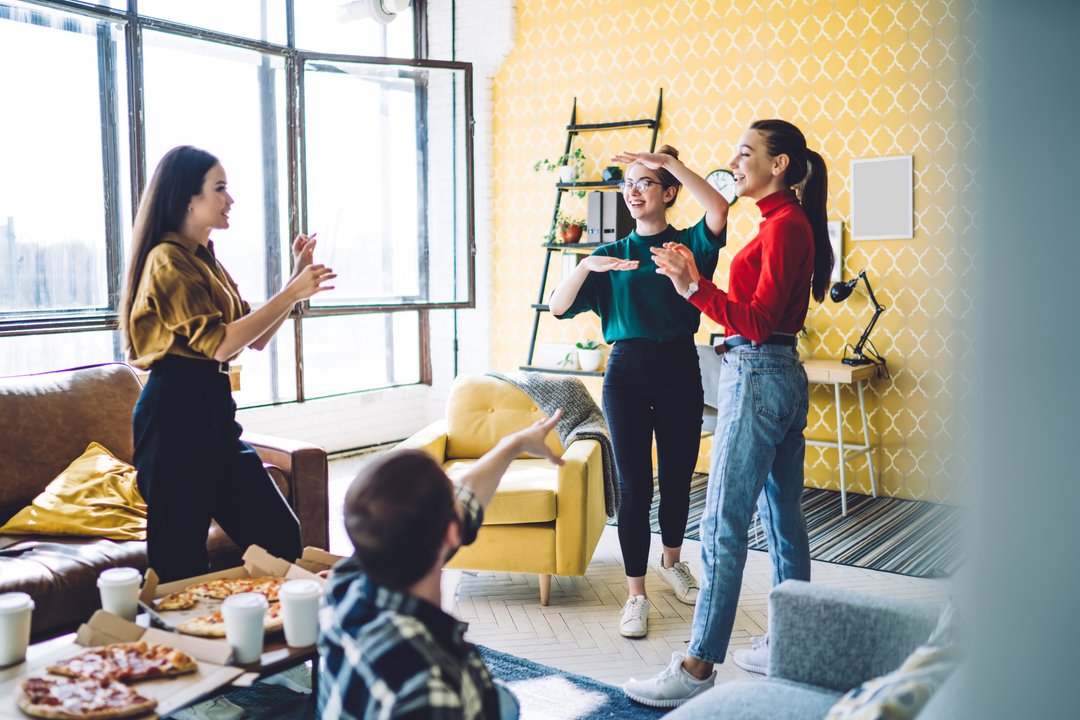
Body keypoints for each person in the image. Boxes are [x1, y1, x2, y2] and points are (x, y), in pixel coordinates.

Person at [622, 119, 832, 706]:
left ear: (780, 164)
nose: (735, 163)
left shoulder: (785, 227)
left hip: (760, 371)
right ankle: (792, 642)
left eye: (746, 154)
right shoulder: (783, 221)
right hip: (779, 373)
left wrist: (694, 289)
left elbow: (758, 322)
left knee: (720, 525)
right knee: (784, 519)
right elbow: (764, 317)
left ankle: (696, 668)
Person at [120, 145, 337, 582]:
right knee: (179, 562)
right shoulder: (166, 260)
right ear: (188, 198)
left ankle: (257, 635)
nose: (230, 199)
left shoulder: (204, 258)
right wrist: (291, 293)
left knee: (278, 535)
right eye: (219, 188)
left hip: (212, 413)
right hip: (174, 415)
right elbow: (219, 345)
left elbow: (251, 339)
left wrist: (294, 283)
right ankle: (186, 648)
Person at [548, 145, 729, 638]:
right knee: (634, 487)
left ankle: (673, 563)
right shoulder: (611, 258)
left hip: (678, 366)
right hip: (625, 373)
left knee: (676, 477)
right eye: (628, 183)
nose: (633, 190)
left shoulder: (690, 244)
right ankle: (636, 595)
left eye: (644, 182)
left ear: (668, 192)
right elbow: (557, 307)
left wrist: (668, 161)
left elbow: (718, 209)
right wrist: (587, 265)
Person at [318, 410, 566, 720]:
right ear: (453, 530)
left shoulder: (343, 583)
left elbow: (464, 497)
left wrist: (513, 444)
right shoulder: (427, 687)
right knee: (504, 704)